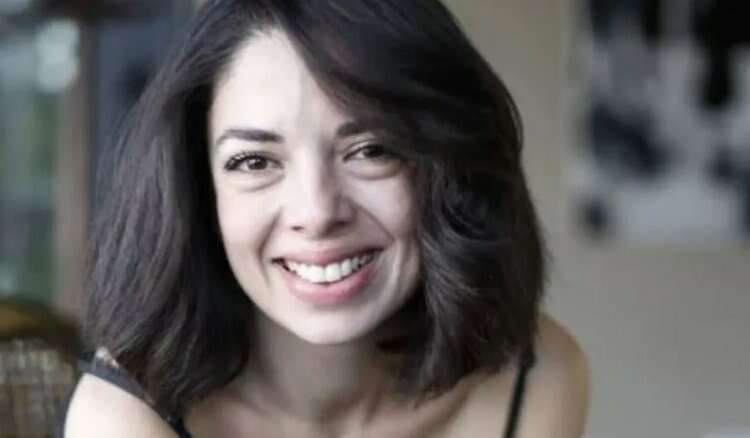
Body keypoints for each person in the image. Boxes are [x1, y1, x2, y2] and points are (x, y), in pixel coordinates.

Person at [63, 0, 589, 436]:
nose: (316, 213)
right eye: (255, 162)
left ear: (451, 166)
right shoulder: (124, 417)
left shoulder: (537, 378)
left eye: (372, 150)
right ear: (199, 190)